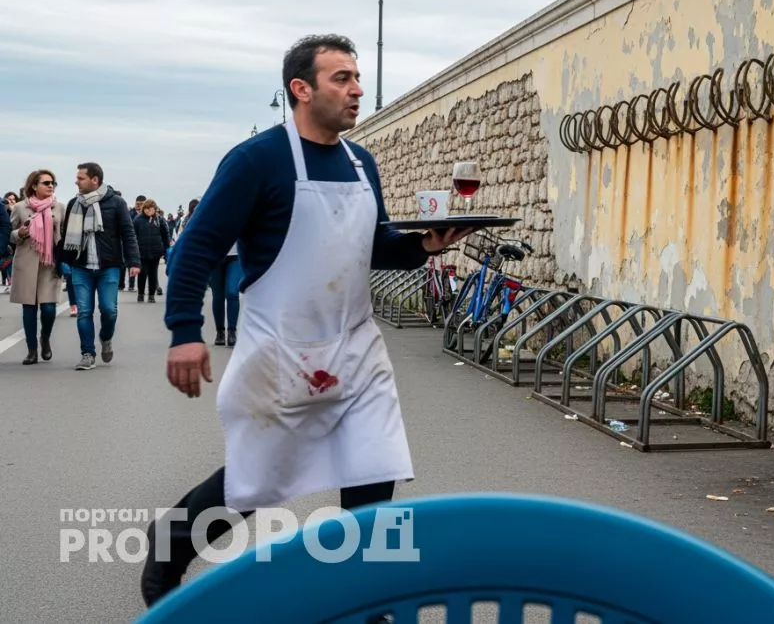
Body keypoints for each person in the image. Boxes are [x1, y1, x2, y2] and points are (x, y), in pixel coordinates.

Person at [142, 34, 475, 606]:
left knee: (374, 469)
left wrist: (424, 245)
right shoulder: (256, 160)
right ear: (301, 88)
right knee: (257, 483)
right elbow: (196, 247)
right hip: (282, 351)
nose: (357, 90)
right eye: (341, 78)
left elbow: (371, 245)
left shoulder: (359, 161)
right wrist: (184, 333)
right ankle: (171, 544)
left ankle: (364, 602)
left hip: (356, 348)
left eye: (357, 78)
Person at [57, 162, 141, 370]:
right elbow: (67, 235)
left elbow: (128, 234)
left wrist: (134, 261)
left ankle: (105, 338)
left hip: (109, 266)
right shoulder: (73, 204)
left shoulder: (117, 203)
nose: (76, 181)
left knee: (109, 310)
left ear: (95, 180)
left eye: (81, 178)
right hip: (81, 266)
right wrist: (62, 261)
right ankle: (87, 353)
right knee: (84, 311)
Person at [9, 170, 65, 363]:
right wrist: (20, 233)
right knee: (29, 308)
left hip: (49, 263)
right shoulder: (19, 207)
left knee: (49, 308)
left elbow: (64, 236)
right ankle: (32, 350)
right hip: (26, 261)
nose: (51, 186)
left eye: (53, 183)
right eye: (46, 183)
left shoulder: (59, 208)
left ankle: (45, 338)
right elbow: (9, 234)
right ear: (34, 186)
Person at [132, 198, 170, 302]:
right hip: (142, 251)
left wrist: (165, 248)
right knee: (142, 273)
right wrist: (134, 250)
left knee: (153, 274)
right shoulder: (138, 220)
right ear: (144, 209)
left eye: (151, 209)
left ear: (155, 209)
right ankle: (140, 293)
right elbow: (133, 235)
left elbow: (165, 235)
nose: (149, 211)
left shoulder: (159, 220)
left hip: (156, 251)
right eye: (147, 209)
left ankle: (151, 295)